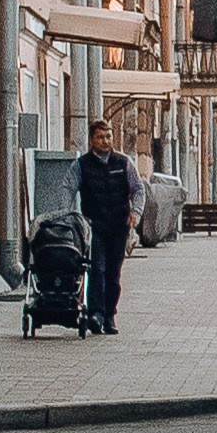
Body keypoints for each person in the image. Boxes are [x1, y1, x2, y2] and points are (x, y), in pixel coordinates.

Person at [65, 120, 144, 334]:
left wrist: (135, 213)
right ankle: (96, 315)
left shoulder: (123, 163)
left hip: (119, 226)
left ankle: (110, 315)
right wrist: (69, 218)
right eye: (100, 137)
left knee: (113, 273)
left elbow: (138, 189)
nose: (105, 141)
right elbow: (68, 191)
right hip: (95, 226)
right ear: (91, 140)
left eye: (108, 136)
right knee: (97, 269)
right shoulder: (81, 165)